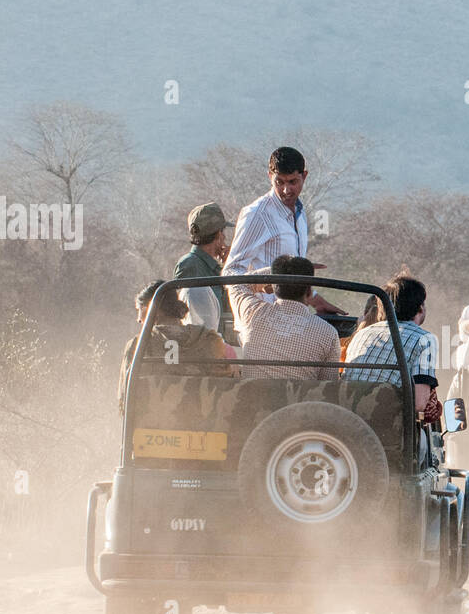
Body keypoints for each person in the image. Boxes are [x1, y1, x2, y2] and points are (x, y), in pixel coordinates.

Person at [222, 146, 344, 315]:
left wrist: (316, 300)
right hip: (262, 321)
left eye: (292, 182)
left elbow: (293, 280)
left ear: (304, 176)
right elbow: (230, 272)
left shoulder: (300, 215)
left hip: (293, 319)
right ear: (270, 176)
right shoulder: (257, 214)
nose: (286, 190)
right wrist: (267, 280)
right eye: (280, 182)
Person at [118, 280, 235, 416]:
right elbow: (225, 389)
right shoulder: (210, 340)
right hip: (206, 426)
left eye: (140, 309)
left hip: (150, 428)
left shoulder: (138, 346)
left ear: (152, 308)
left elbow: (124, 400)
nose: (138, 319)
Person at [228, 255, 340, 380]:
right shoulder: (328, 333)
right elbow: (329, 387)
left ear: (274, 288)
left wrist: (275, 274)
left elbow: (236, 284)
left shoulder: (252, 313)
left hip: (253, 397)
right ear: (309, 291)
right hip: (300, 399)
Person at [344, 275, 440, 420]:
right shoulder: (425, 339)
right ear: (420, 307)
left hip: (345, 416)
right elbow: (419, 403)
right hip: (385, 424)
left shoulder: (362, 334)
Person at [173, 202, 233, 334]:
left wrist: (229, 267)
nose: (224, 238)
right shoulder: (190, 265)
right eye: (223, 232)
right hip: (202, 346)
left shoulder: (213, 267)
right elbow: (193, 317)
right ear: (218, 235)